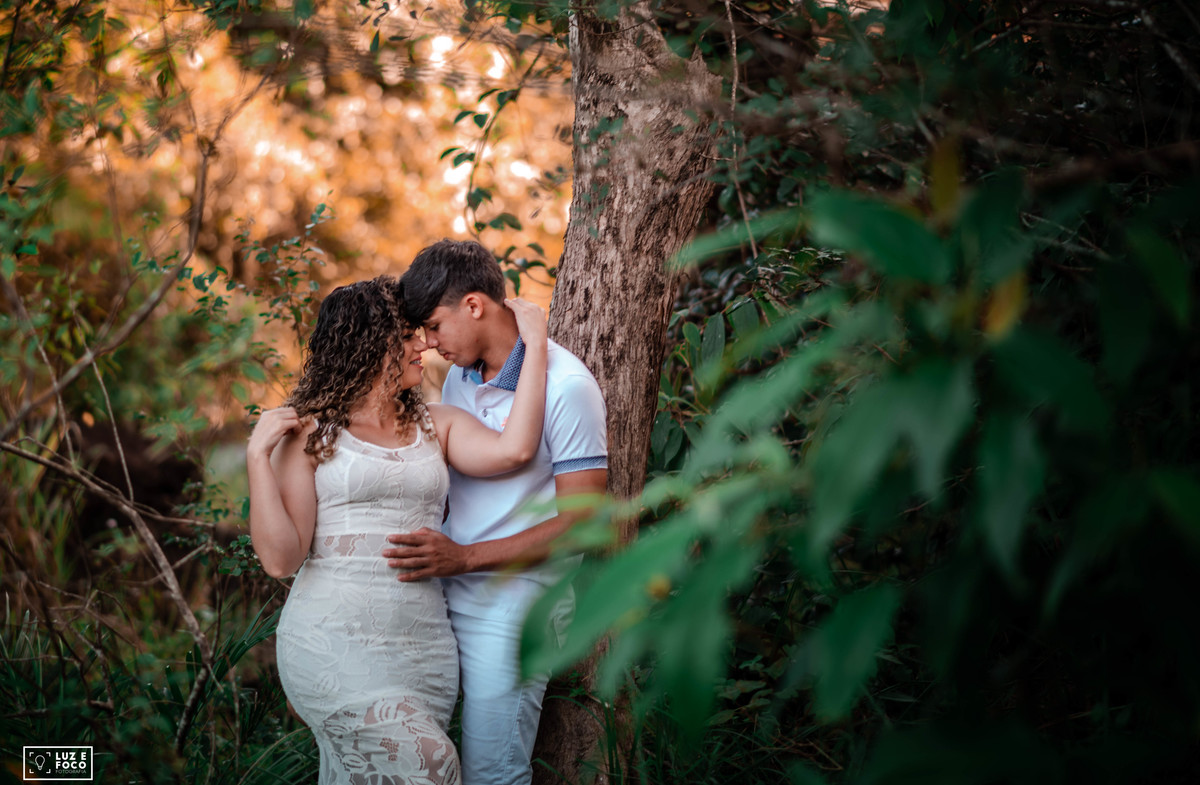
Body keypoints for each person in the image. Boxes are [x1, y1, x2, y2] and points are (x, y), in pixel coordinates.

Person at [246, 275, 550, 785]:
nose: (423, 344)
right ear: (368, 343)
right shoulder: (311, 433)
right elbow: (281, 559)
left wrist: (535, 345)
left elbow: (515, 449)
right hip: (333, 645)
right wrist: (258, 456)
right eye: (407, 336)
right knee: (432, 762)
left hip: (423, 652)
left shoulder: (437, 423)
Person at [381, 240, 608, 785]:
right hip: (441, 595)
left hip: (513, 608)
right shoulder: (460, 377)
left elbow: (582, 521)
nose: (429, 344)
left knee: (493, 773)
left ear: (474, 305)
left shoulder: (567, 386)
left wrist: (463, 558)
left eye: (434, 326)